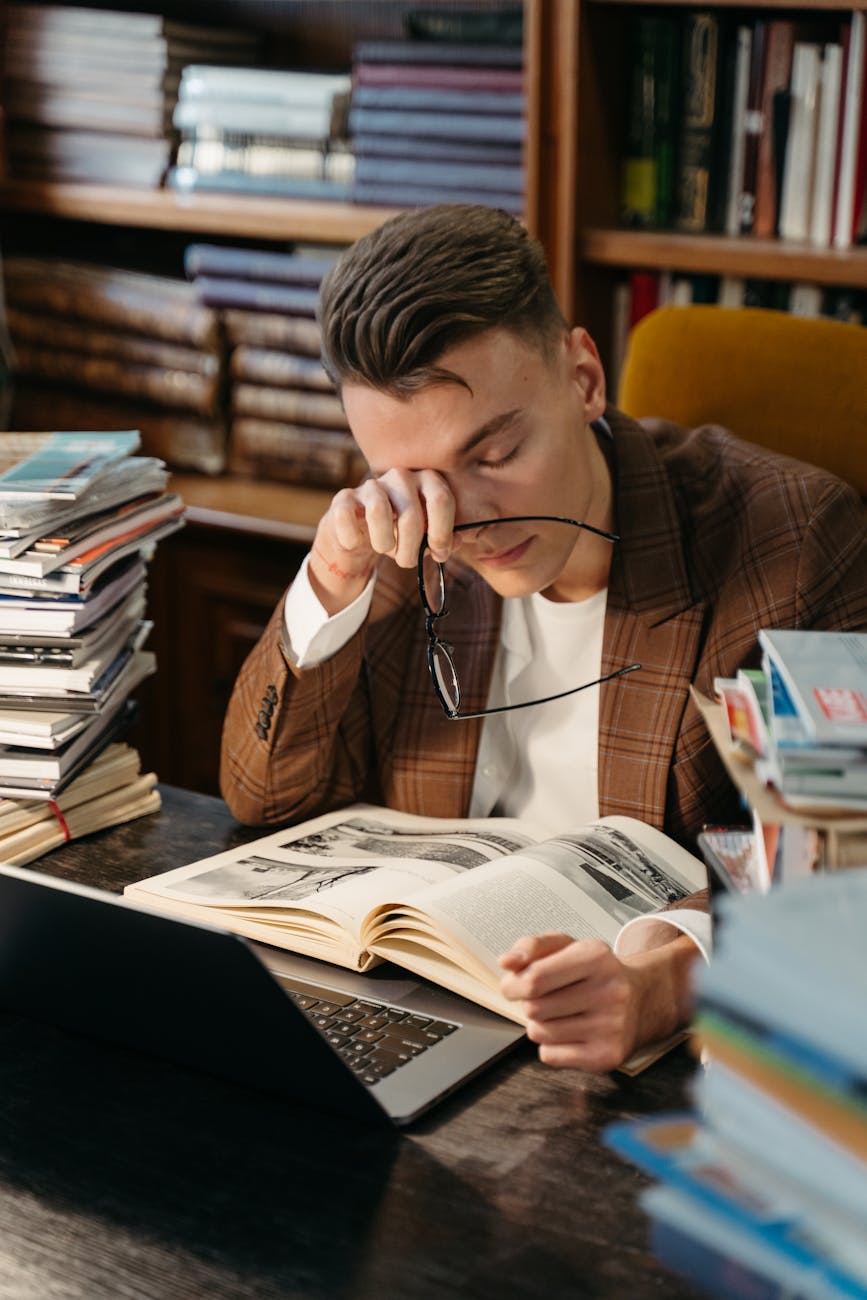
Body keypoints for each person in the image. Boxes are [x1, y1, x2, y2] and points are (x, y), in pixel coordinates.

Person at [220, 204, 867, 1072]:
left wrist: (669, 980)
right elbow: (266, 803)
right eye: (415, 476)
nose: (468, 520)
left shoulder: (795, 539)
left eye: (494, 454)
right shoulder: (407, 539)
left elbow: (840, 863)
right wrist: (329, 591)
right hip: (423, 1017)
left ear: (583, 377)